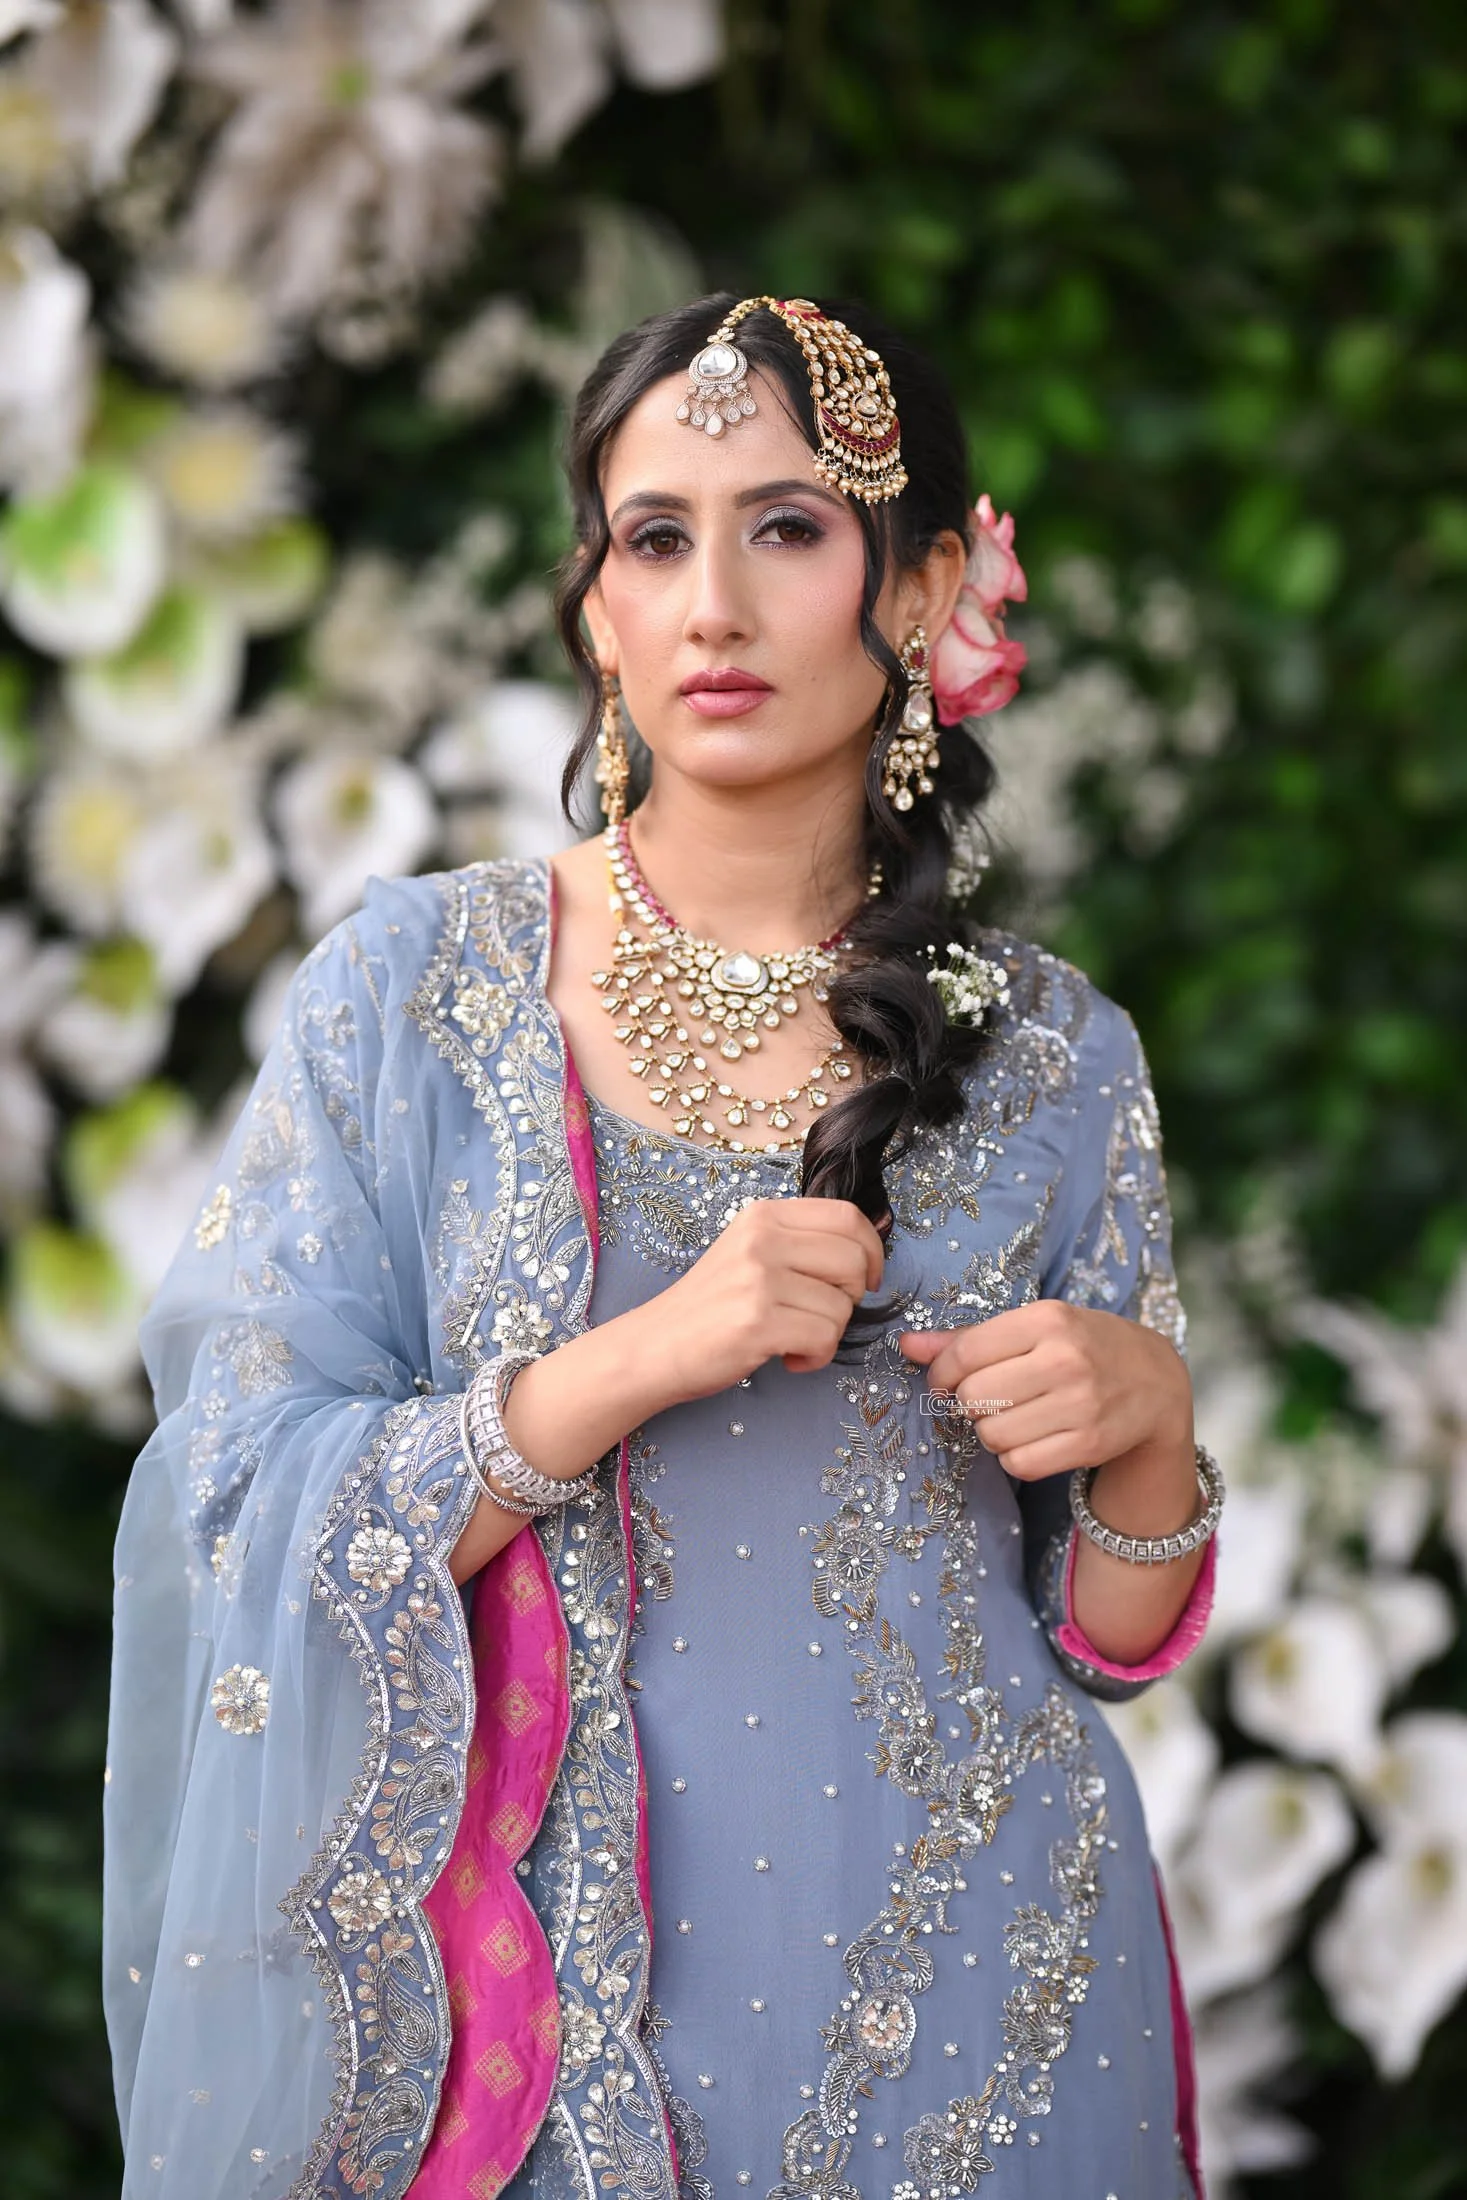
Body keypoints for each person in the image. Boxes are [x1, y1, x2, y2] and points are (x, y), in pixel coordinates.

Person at [102, 292, 1221, 2200]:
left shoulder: (1048, 1053)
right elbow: (234, 1503)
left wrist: (1147, 1430)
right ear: (596, 610)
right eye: (654, 537)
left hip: (994, 2007)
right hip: (544, 2037)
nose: (715, 603)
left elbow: (1106, 1636)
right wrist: (639, 1355)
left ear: (926, 577)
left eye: (788, 528)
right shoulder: (417, 993)